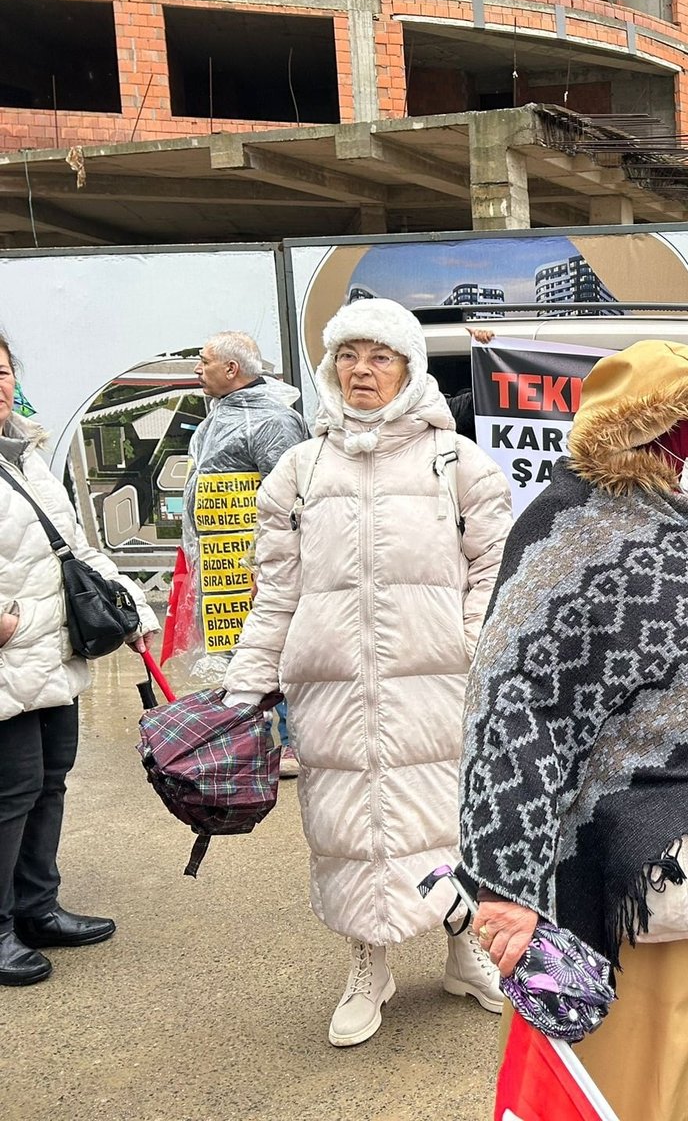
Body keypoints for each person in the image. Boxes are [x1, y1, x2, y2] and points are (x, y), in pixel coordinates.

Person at [455, 340, 688, 1118]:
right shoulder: (570, 530)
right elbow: (513, 712)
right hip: (635, 864)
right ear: (654, 425)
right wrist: (508, 887)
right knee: (635, 1072)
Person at [224, 299, 512, 1047]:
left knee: (451, 823)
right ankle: (368, 964)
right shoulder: (300, 467)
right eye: (349, 356)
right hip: (331, 688)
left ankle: (463, 948)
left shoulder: (458, 463)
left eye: (379, 357)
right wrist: (246, 685)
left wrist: (470, 645)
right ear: (329, 368)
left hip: (439, 685)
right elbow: (277, 587)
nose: (362, 371)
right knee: (349, 831)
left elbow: (496, 567)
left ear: (410, 369)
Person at [1, 331, 159, 987]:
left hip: (53, 651)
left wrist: (131, 614)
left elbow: (75, 549)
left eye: (2, 370)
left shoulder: (27, 453)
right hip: (8, 655)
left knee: (50, 779)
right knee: (9, 792)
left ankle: (37, 907)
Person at [185, 331, 307, 775]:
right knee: (242, 652)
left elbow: (289, 501)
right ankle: (252, 739)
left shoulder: (272, 421)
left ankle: (293, 742)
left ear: (231, 370)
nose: (197, 370)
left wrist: (265, 561)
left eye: (204, 361)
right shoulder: (214, 419)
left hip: (261, 566)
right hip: (222, 564)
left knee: (278, 646)